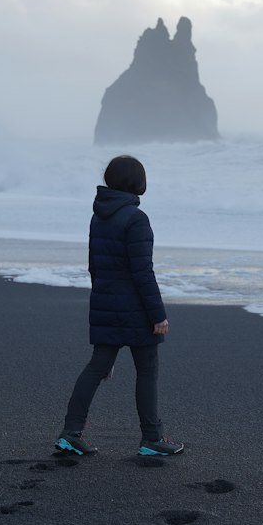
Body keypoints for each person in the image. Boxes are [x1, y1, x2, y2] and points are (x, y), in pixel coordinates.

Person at [55, 154, 184, 458]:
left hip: (105, 302)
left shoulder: (98, 215)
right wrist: (158, 314)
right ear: (138, 183)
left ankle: (70, 434)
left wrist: (104, 301)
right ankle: (152, 438)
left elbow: (94, 267)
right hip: (136, 309)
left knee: (97, 366)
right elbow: (142, 272)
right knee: (147, 369)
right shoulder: (136, 218)